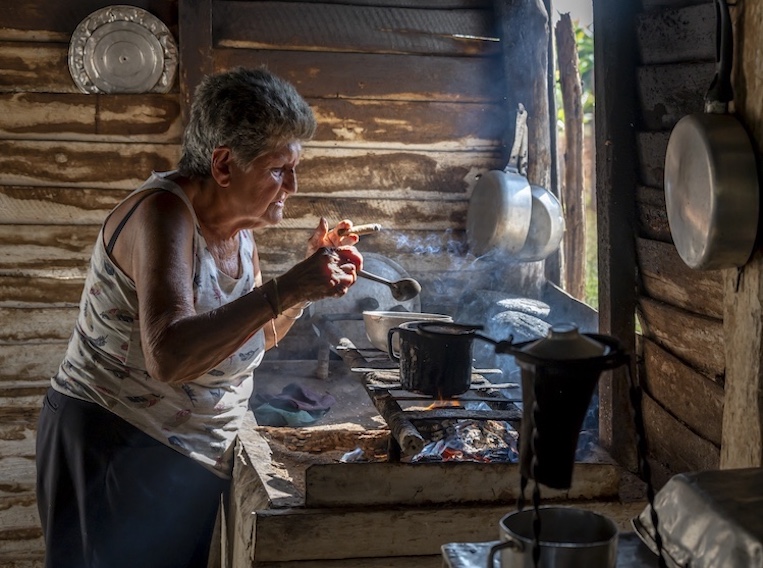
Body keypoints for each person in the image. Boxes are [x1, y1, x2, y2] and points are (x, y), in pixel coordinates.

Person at [35, 67, 363, 568]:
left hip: (183, 457)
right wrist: (288, 284)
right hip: (115, 445)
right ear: (225, 165)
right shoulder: (163, 213)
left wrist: (303, 291)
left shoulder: (241, 232)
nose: (292, 186)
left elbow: (256, 335)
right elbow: (169, 355)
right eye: (279, 170)